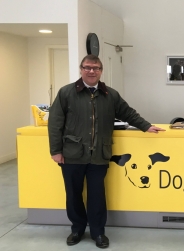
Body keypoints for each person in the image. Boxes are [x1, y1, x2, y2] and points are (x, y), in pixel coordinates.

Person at [48, 55, 164, 249]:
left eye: (95, 68)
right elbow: (55, 123)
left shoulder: (110, 94)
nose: (91, 71)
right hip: (71, 154)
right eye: (87, 67)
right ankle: (77, 229)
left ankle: (98, 232)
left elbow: (128, 113)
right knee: (73, 194)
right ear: (81, 69)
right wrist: (55, 151)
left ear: (101, 71)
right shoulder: (66, 93)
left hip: (99, 155)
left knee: (97, 195)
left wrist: (146, 126)